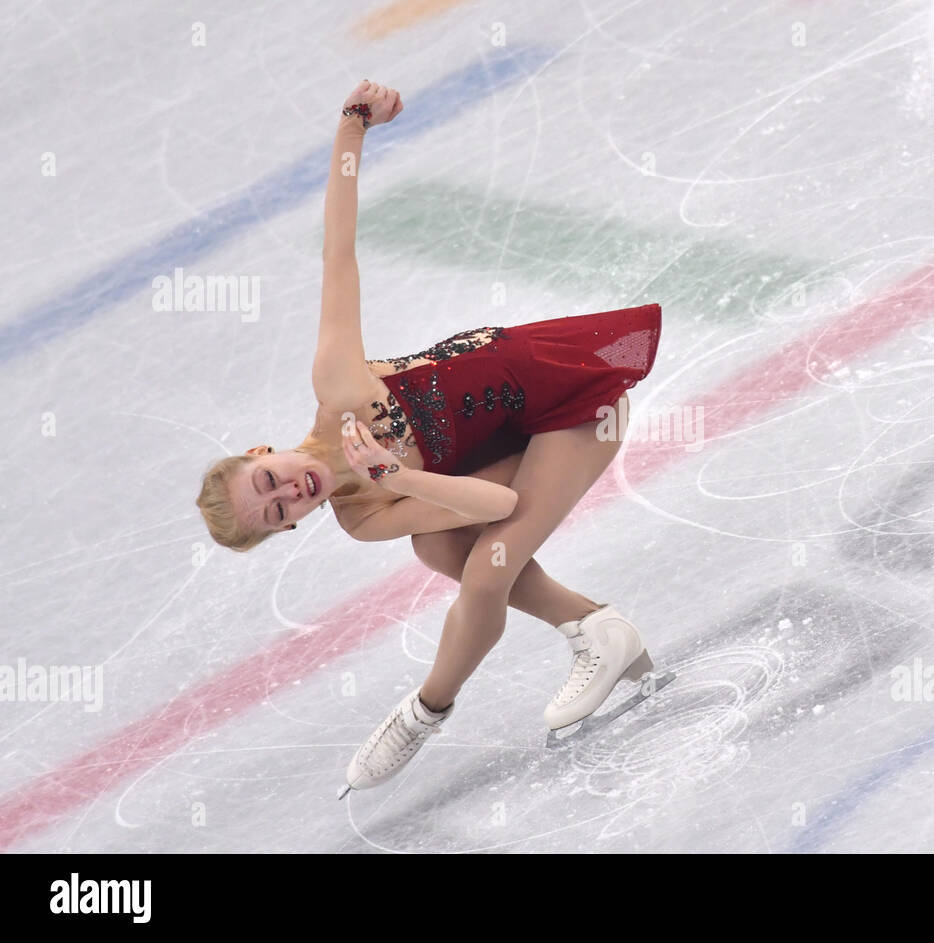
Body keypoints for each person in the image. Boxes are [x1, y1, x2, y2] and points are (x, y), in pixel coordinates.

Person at [194, 81, 664, 793]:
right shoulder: (363, 516)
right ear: (290, 527)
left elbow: (338, 255)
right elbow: (486, 505)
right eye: (279, 511)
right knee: (438, 541)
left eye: (268, 482)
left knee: (483, 568)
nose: (288, 491)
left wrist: (352, 127)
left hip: (576, 396)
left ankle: (425, 710)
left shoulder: (339, 385)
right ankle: (594, 628)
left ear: (264, 452)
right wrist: (396, 478)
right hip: (529, 445)